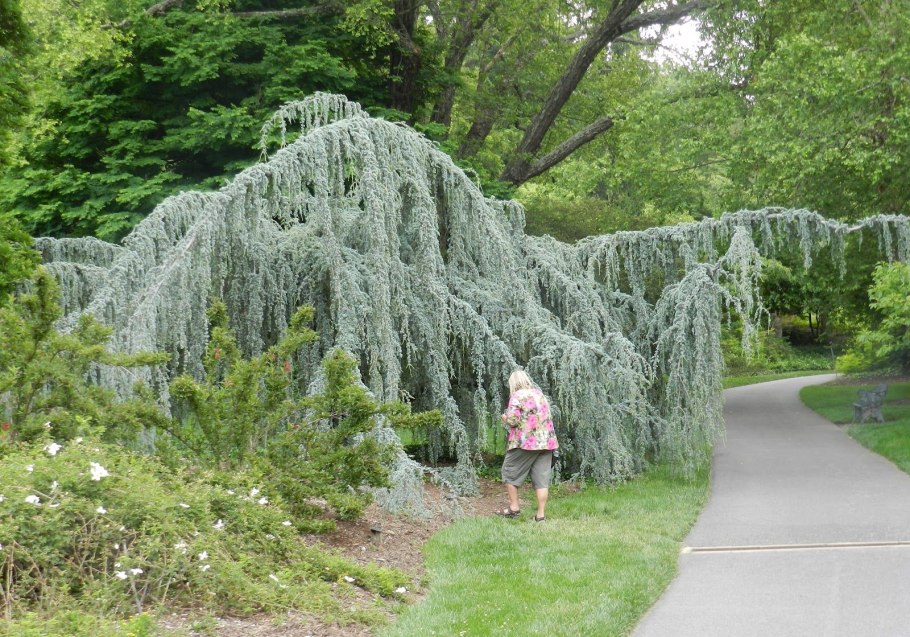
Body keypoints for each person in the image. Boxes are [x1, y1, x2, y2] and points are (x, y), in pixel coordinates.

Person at [497, 369, 558, 522]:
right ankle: (540, 515)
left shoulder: (517, 396)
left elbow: (513, 421)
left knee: (509, 471)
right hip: (547, 442)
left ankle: (514, 507)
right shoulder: (539, 393)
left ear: (513, 383)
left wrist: (504, 418)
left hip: (526, 443)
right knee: (541, 479)